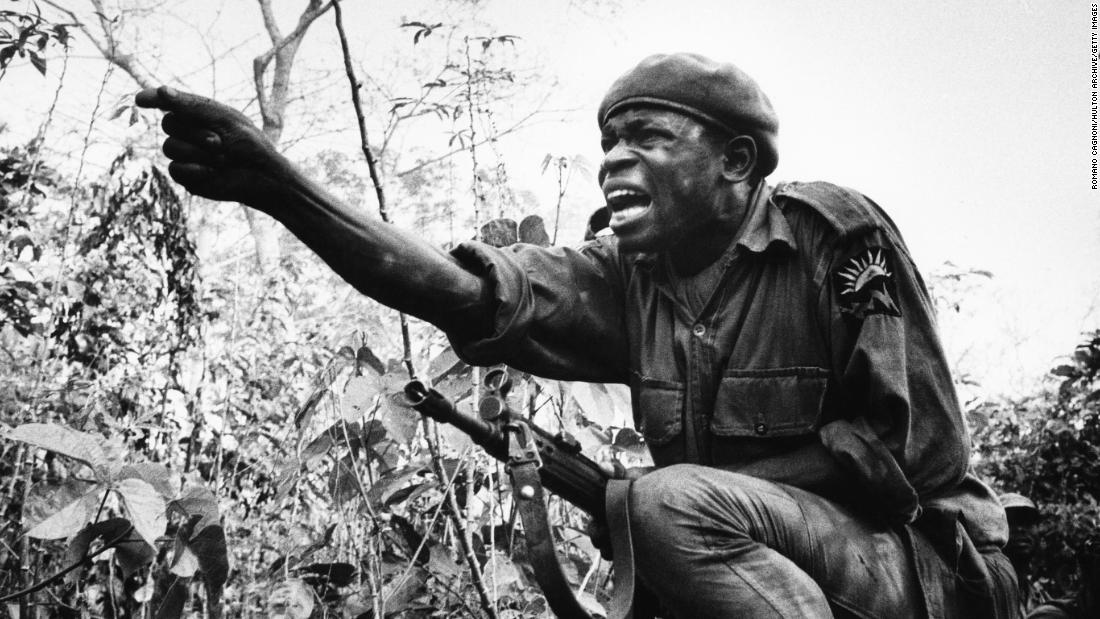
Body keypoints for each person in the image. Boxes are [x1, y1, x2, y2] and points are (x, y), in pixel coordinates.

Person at [136, 53, 1019, 618]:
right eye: (607, 140)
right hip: (768, 571)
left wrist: (657, 495)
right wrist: (276, 183)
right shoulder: (629, 275)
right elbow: (460, 292)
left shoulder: (836, 239)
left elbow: (911, 466)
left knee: (670, 508)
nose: (612, 159)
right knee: (669, 519)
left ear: (737, 162)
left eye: (646, 136)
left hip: (922, 570)